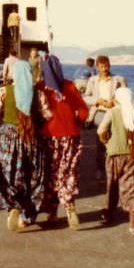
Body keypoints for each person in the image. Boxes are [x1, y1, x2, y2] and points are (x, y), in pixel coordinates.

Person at [0, 60, 52, 232]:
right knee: (33, 178)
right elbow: (48, 115)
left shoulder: (4, 91)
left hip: (7, 138)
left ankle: (12, 206)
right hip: (31, 138)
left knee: (8, 175)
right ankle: (26, 217)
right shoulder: (37, 93)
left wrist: (6, 113)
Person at [39, 55, 89, 229]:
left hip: (48, 137)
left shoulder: (41, 87)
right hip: (70, 136)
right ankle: (69, 205)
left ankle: (52, 213)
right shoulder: (68, 85)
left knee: (50, 175)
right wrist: (77, 122)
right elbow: (83, 111)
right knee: (67, 172)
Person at [97, 87, 134, 234]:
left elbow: (101, 130)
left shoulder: (112, 112)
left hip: (115, 152)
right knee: (133, 185)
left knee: (112, 183)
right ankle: (132, 225)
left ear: (116, 99)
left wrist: (106, 142)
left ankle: (109, 214)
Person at [83, 55, 127, 179]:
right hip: (100, 113)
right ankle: (100, 169)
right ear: (97, 67)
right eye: (101, 67)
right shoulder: (92, 80)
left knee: (115, 140)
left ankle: (114, 168)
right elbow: (86, 97)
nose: (104, 69)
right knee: (101, 142)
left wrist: (115, 100)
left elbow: (126, 95)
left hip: (114, 112)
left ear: (110, 65)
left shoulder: (118, 80)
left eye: (106, 66)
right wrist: (99, 100)